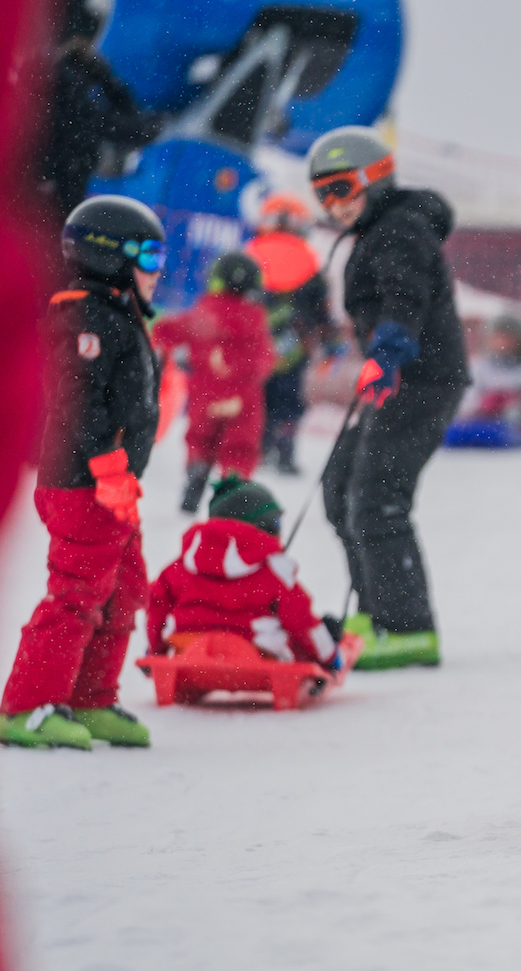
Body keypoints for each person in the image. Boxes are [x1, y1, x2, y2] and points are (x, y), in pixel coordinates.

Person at [1, 194, 165, 749]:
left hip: (111, 484)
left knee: (122, 590)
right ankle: (27, 705)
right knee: (77, 591)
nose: (156, 270)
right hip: (81, 482)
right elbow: (77, 401)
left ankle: (90, 698)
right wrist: (106, 466)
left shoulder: (118, 314)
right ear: (107, 256)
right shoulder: (82, 317)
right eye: (147, 255)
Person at [309, 126, 467, 671]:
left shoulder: (400, 229)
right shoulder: (380, 230)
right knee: (340, 487)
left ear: (374, 178)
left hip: (421, 380)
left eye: (340, 188)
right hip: (398, 379)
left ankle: (406, 629)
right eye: (321, 194)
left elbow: (407, 294)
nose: (333, 204)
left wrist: (391, 348)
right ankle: (375, 612)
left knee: (376, 495)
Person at [146, 478, 342, 669]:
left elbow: (156, 607)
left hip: (186, 647)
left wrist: (155, 651)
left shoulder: (180, 567)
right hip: (257, 654)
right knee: (291, 637)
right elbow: (301, 620)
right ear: (262, 526)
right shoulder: (273, 570)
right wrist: (329, 657)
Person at [152, 251, 276, 512]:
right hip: (243, 399)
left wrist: (164, 346)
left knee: (200, 439)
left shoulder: (205, 312)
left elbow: (167, 330)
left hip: (206, 393)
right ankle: (232, 490)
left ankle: (196, 472)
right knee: (240, 448)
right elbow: (265, 360)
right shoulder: (255, 318)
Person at [34, 1, 162, 231]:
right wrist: (109, 81)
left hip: (49, 191)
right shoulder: (70, 91)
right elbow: (127, 127)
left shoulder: (55, 83)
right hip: (55, 194)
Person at [244, 192, 339, 475]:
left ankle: (259, 448)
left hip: (255, 344)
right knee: (288, 398)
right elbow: (321, 308)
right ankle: (284, 449)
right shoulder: (310, 263)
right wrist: (330, 341)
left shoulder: (249, 256)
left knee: (257, 398)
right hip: (295, 344)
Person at [453, 313, 521, 444]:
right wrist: (486, 404)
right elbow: (466, 402)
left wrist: (518, 403)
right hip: (481, 425)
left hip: (519, 428)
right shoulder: (480, 368)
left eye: (508, 336)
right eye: (498, 336)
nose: (502, 341)